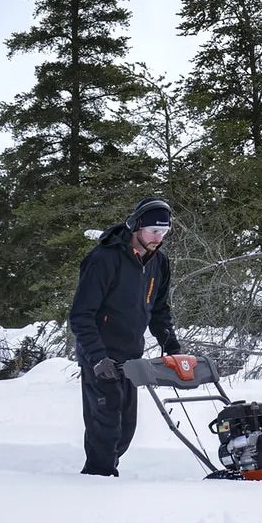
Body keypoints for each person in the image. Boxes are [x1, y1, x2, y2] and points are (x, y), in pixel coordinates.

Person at [68, 196, 181, 476]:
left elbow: (158, 310)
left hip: (130, 356)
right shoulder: (104, 259)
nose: (159, 238)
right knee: (106, 427)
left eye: (164, 232)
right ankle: (98, 478)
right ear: (136, 226)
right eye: (154, 231)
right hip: (100, 355)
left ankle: (103, 475)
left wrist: (171, 345)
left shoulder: (159, 263)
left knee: (125, 429)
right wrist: (97, 358)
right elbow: (81, 315)